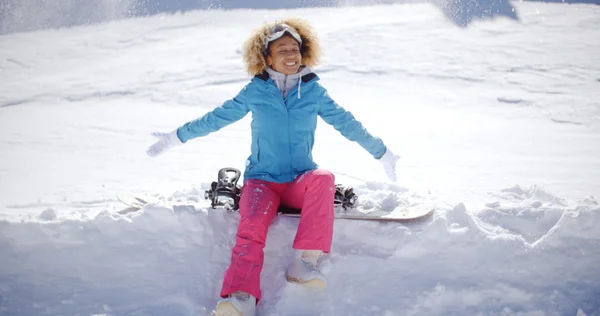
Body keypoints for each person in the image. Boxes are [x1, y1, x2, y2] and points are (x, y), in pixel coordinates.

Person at [146, 18, 399, 316]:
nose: (291, 54)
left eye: (295, 48)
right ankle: (240, 297)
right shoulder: (256, 91)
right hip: (261, 182)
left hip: (298, 182)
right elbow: (215, 119)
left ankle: (304, 263)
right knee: (251, 227)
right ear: (266, 57)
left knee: (324, 178)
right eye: (283, 50)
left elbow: (347, 124)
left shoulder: (314, 92)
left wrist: (382, 153)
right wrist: (174, 138)